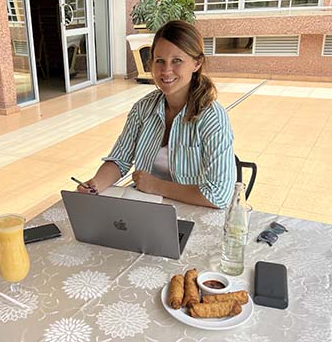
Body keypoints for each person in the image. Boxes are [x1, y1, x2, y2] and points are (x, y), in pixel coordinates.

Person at [78, 20, 236, 208]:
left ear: (196, 63)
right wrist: (95, 184)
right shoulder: (143, 109)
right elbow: (119, 161)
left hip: (193, 212)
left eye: (177, 60)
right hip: (147, 210)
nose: (166, 70)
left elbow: (219, 194)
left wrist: (156, 186)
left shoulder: (212, 117)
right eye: (159, 60)